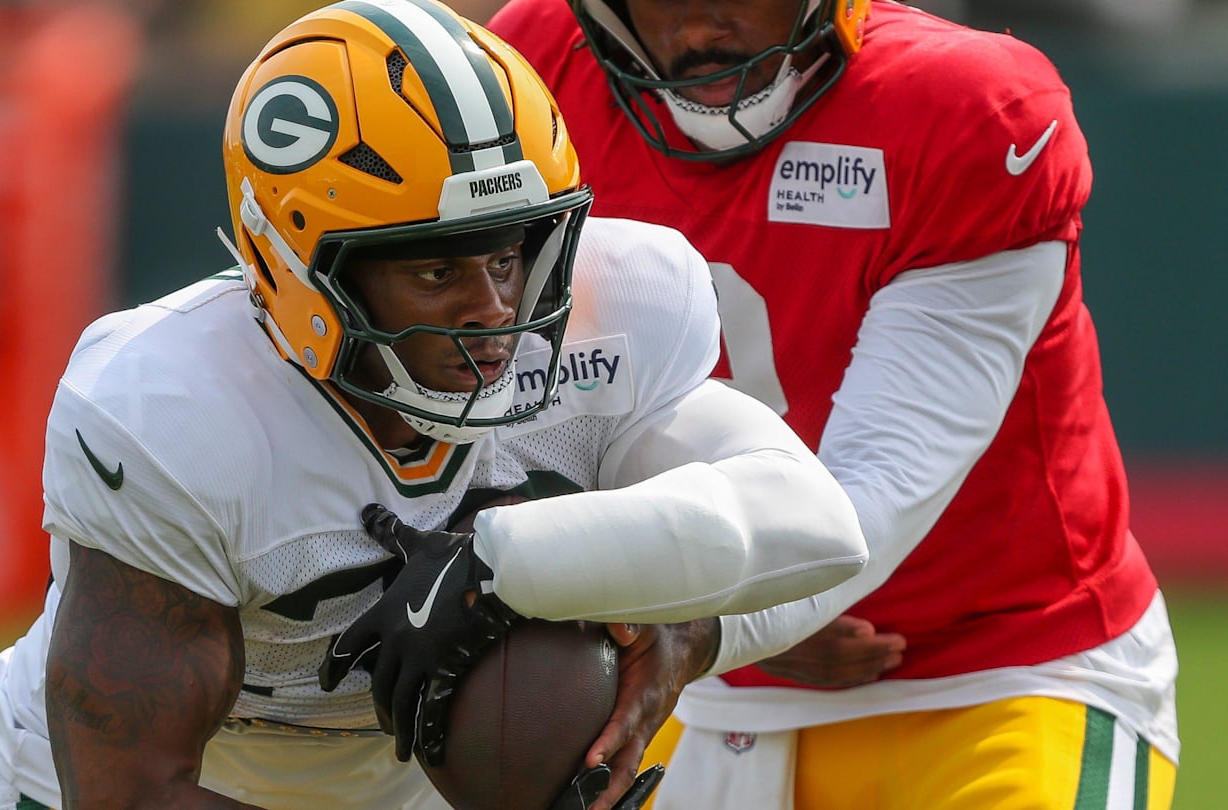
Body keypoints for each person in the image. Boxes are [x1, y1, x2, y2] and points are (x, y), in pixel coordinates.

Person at [0, 2, 873, 809]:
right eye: (435, 270)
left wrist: (553, 588)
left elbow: (816, 525)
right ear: (301, 272)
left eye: (508, 255)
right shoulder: (172, 408)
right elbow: (132, 792)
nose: (494, 310)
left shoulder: (622, 306)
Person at [486, 1, 1179, 808]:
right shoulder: (530, 74)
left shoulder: (965, 110)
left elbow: (876, 484)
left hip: (1005, 668)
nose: (699, 32)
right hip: (687, 683)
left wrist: (716, 617)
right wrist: (696, 615)